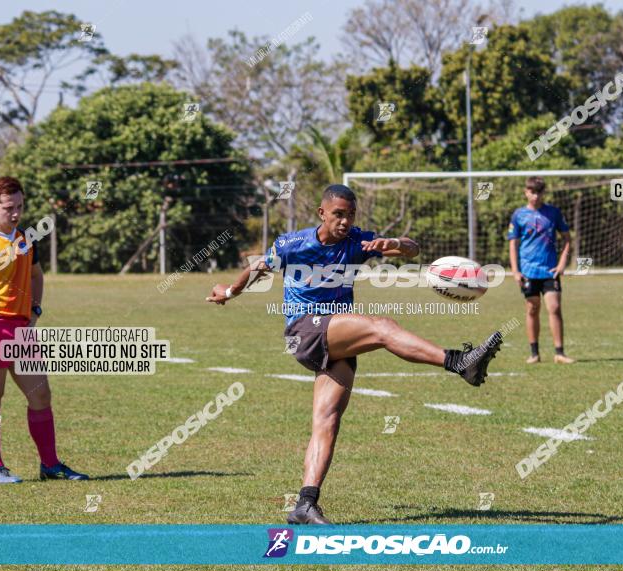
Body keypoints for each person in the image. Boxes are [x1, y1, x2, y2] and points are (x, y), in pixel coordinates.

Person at [207, 184, 502, 524]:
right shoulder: (293, 244)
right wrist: (228, 291)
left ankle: (305, 502)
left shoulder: (356, 242)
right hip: (305, 330)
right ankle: (458, 362)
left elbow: (412, 249)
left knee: (327, 420)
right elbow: (258, 267)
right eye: (338, 214)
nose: (345, 221)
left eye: (350, 215)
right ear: (322, 213)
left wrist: (393, 244)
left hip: (336, 338)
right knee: (380, 327)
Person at [0, 176, 89, 484]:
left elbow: (37, 275)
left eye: (20, 206)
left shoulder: (27, 240)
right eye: (8, 207)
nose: (16, 213)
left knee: (40, 394)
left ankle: (51, 465)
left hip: (21, 331)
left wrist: (35, 311)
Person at [508, 176, 574, 365]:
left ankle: (559, 353)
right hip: (528, 271)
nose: (535, 196)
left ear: (543, 193)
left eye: (539, 192)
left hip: (550, 270)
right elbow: (513, 244)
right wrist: (515, 270)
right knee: (532, 309)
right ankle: (534, 353)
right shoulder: (519, 215)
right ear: (526, 192)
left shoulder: (553, 213)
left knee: (554, 307)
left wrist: (562, 264)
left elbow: (568, 239)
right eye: (532, 192)